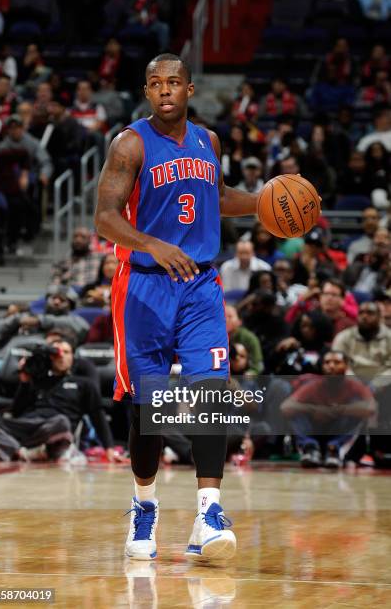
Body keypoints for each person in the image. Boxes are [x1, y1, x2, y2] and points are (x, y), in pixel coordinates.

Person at [95, 53, 266, 563]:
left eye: (174, 82)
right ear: (147, 91)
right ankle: (144, 506)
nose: (165, 90)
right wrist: (151, 244)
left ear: (190, 89)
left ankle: (208, 513)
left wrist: (263, 202)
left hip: (199, 286)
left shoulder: (207, 141)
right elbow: (105, 218)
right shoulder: (129, 143)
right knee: (147, 409)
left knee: (210, 395)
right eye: (155, 83)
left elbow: (213, 196)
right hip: (143, 286)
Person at [281, 350, 376, 468]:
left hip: (339, 432)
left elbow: (371, 408)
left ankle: (335, 451)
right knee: (296, 412)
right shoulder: (313, 385)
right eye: (327, 362)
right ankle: (310, 449)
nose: (331, 366)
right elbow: (285, 407)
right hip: (316, 432)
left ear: (346, 366)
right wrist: (313, 409)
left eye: (336, 362)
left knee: (357, 408)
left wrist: (338, 410)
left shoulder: (355, 385)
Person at [332, 301, 391, 390]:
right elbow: (337, 363)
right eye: (361, 313)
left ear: (379, 317)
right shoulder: (344, 337)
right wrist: (355, 384)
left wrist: (376, 385)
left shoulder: (389, 337)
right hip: (350, 385)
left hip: (383, 386)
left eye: (370, 313)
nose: (364, 316)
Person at [225, 305, 263, 375]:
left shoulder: (249, 338)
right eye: (223, 316)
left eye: (230, 316)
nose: (226, 319)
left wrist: (249, 374)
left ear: (239, 321)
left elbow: (258, 365)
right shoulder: (214, 337)